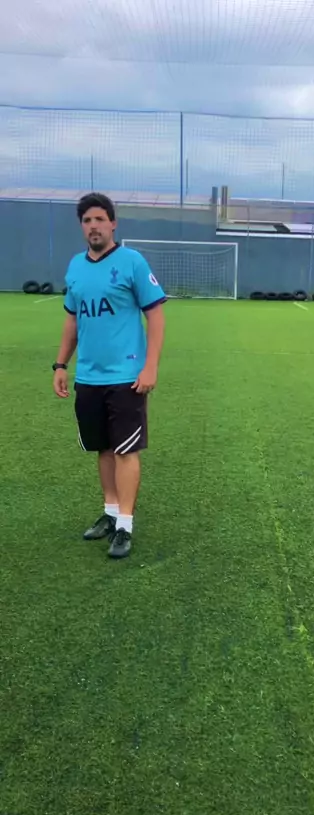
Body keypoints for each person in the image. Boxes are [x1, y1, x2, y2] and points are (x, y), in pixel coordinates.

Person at [53, 192, 167, 559]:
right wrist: (60, 365)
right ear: (82, 227)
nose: (94, 226)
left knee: (125, 450)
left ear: (113, 223)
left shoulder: (132, 262)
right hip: (89, 377)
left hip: (126, 377)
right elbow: (72, 320)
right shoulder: (76, 267)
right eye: (87, 221)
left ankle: (125, 526)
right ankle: (111, 512)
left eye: (100, 219)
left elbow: (156, 315)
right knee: (102, 448)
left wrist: (150, 366)